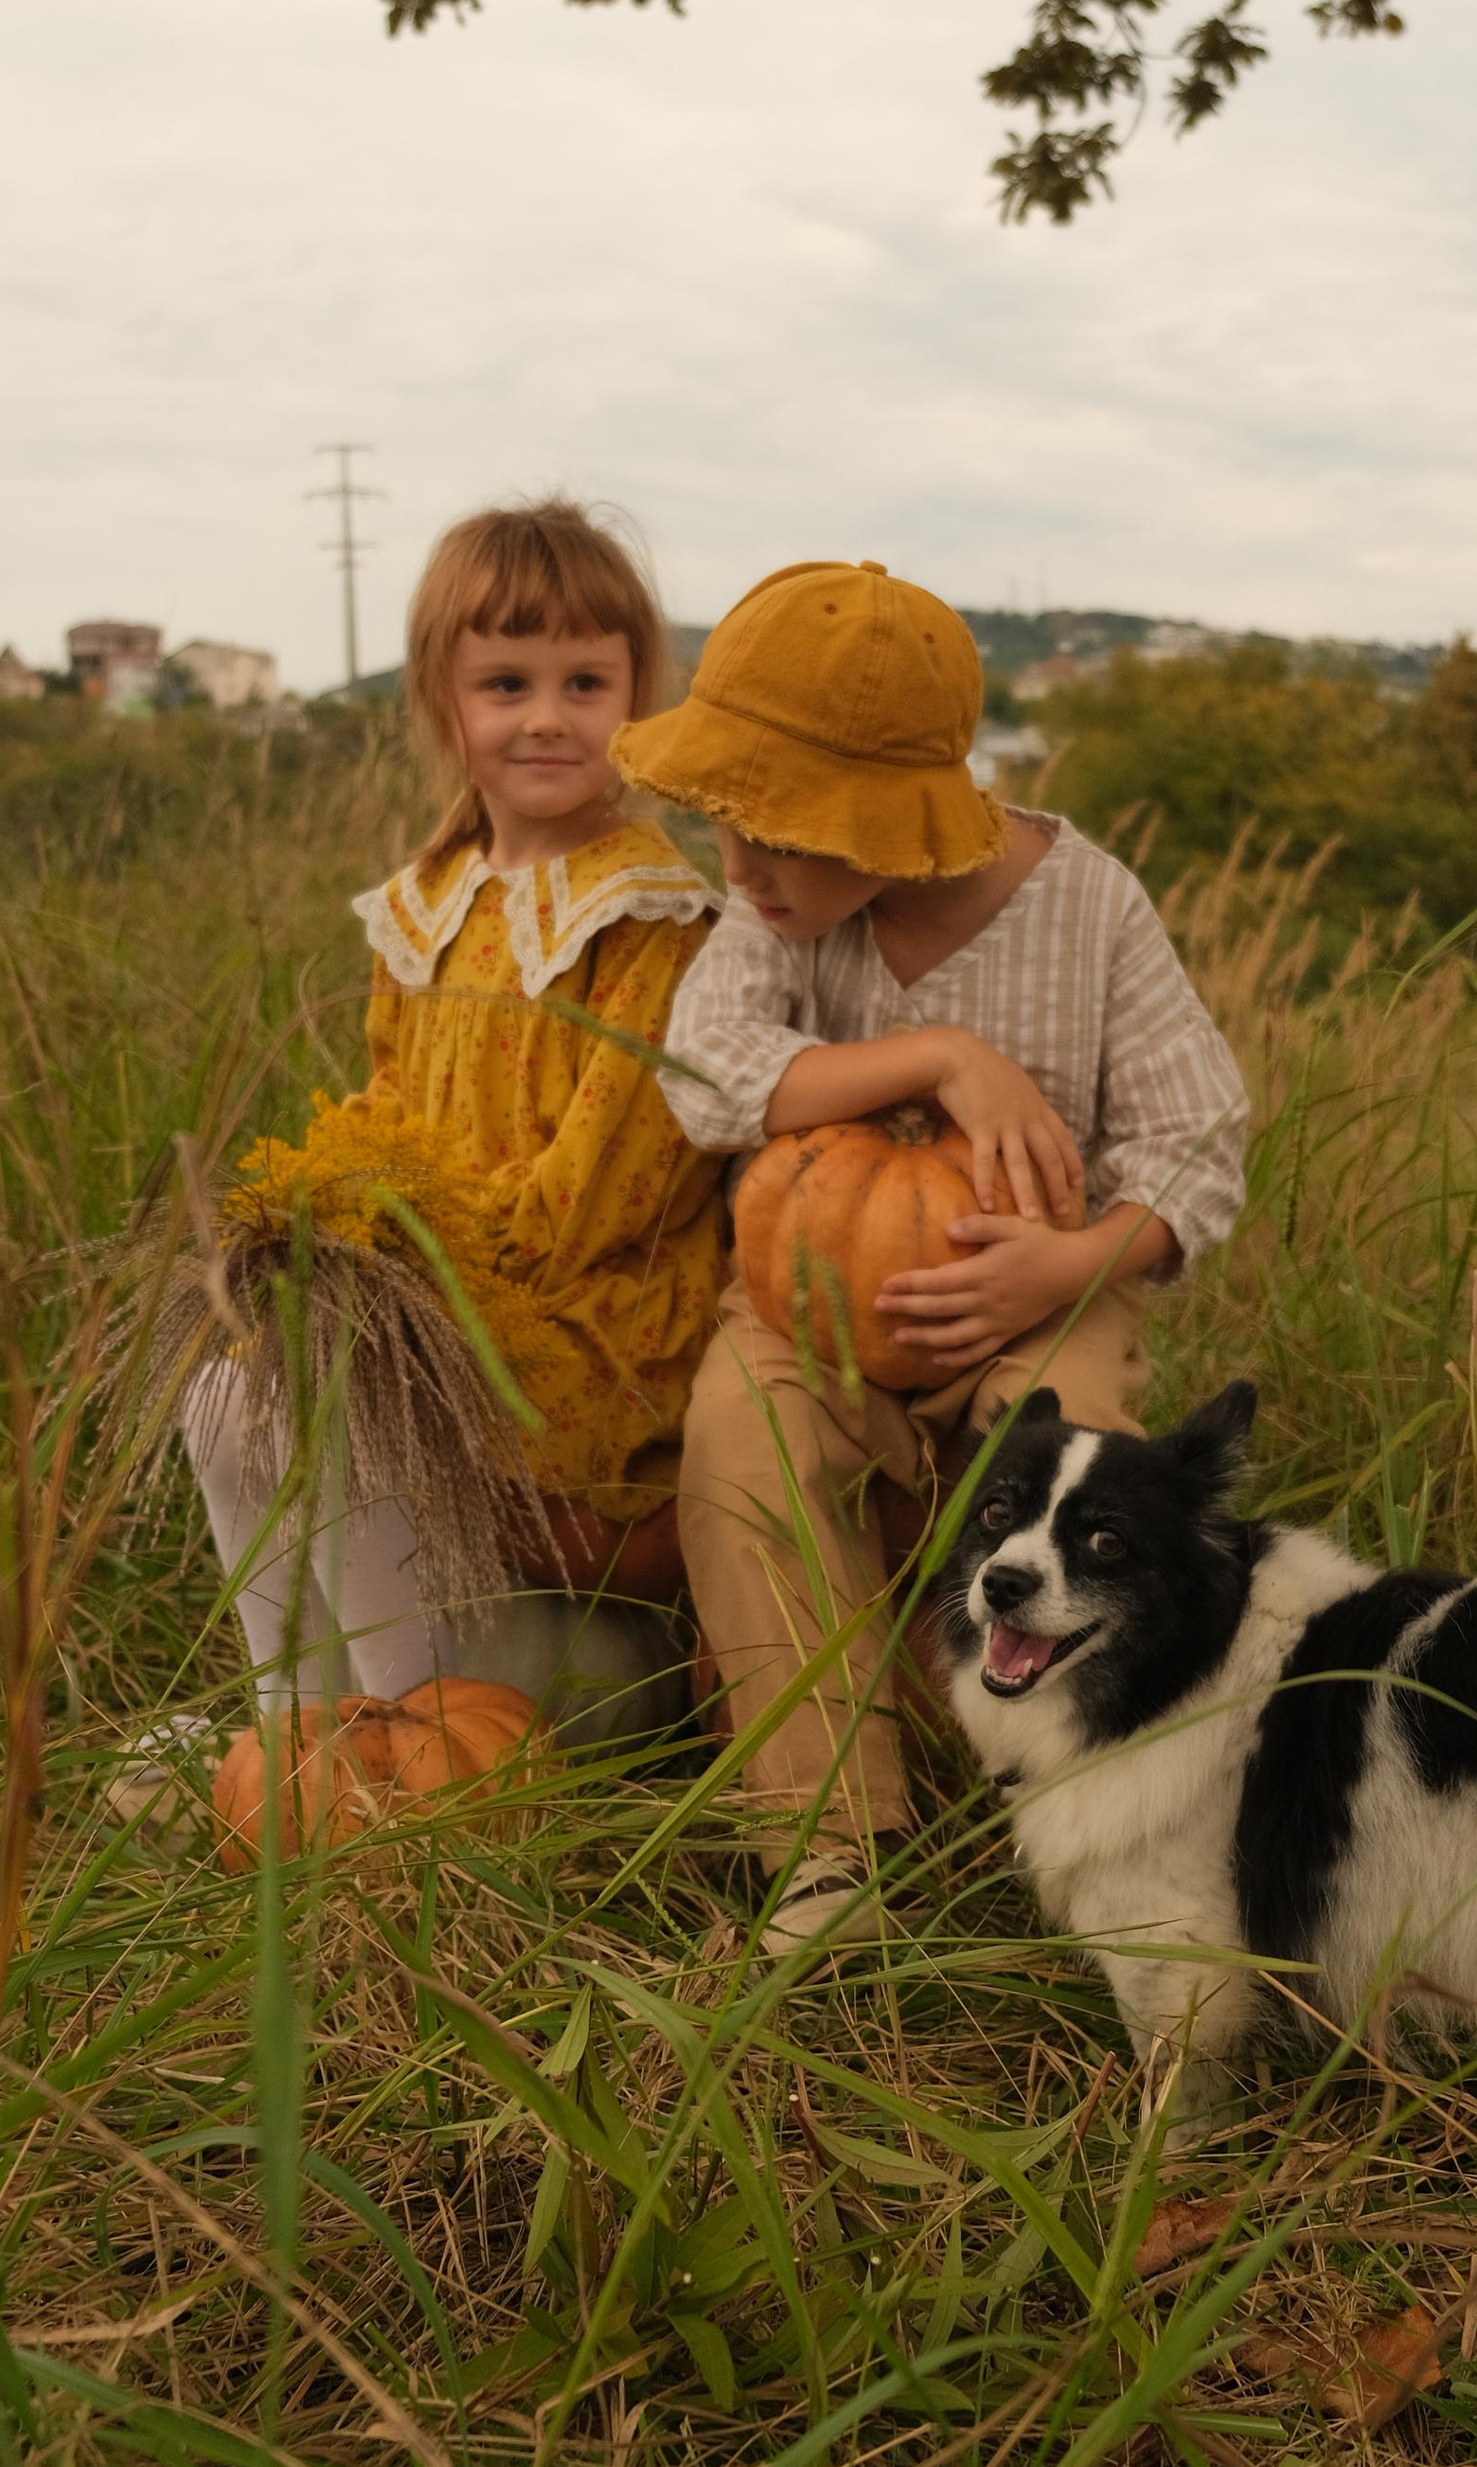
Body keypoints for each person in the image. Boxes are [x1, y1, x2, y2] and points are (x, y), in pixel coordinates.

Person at [615, 557, 1248, 1949]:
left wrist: (1070, 1265)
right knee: (741, 1436)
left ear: (897, 828)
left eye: (780, 838)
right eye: (727, 829)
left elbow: (1198, 1143)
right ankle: (827, 1846)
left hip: (1031, 1296)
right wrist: (944, 1060)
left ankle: (1103, 1808)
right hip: (810, 1294)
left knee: (1080, 1442)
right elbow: (704, 1073)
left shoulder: (1087, 908)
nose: (741, 869)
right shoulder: (774, 915)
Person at [185, 499, 725, 1729]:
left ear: (639, 698)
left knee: (345, 1386)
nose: (546, 715)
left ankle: (422, 1736)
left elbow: (602, 1182)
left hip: (573, 1319)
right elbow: (382, 1105)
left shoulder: (649, 918)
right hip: (430, 1285)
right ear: (446, 701)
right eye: (506, 682)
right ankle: (294, 1719)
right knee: (225, 1391)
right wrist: (322, 1238)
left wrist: (404, 1288)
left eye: (586, 680)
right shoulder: (426, 906)